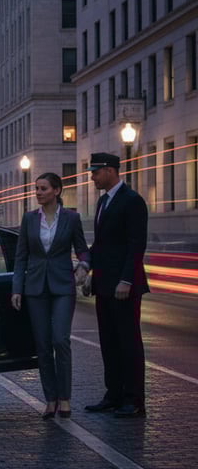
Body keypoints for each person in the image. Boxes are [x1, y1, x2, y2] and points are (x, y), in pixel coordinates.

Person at [11, 172, 89, 419]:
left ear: (56, 191)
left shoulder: (71, 218)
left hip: (63, 286)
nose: (38, 193)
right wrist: (17, 288)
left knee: (60, 340)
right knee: (43, 346)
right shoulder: (29, 219)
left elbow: (83, 251)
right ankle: (50, 399)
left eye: (43, 188)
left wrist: (83, 267)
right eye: (36, 189)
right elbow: (20, 257)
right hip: (35, 289)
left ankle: (65, 398)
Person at [84, 152, 148, 418]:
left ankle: (134, 400)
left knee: (128, 343)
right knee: (108, 342)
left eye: (95, 172)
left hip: (124, 286)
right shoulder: (102, 203)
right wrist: (89, 272)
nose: (92, 177)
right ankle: (114, 395)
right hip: (104, 284)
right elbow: (101, 244)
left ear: (110, 170)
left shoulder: (132, 201)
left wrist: (126, 280)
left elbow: (136, 245)